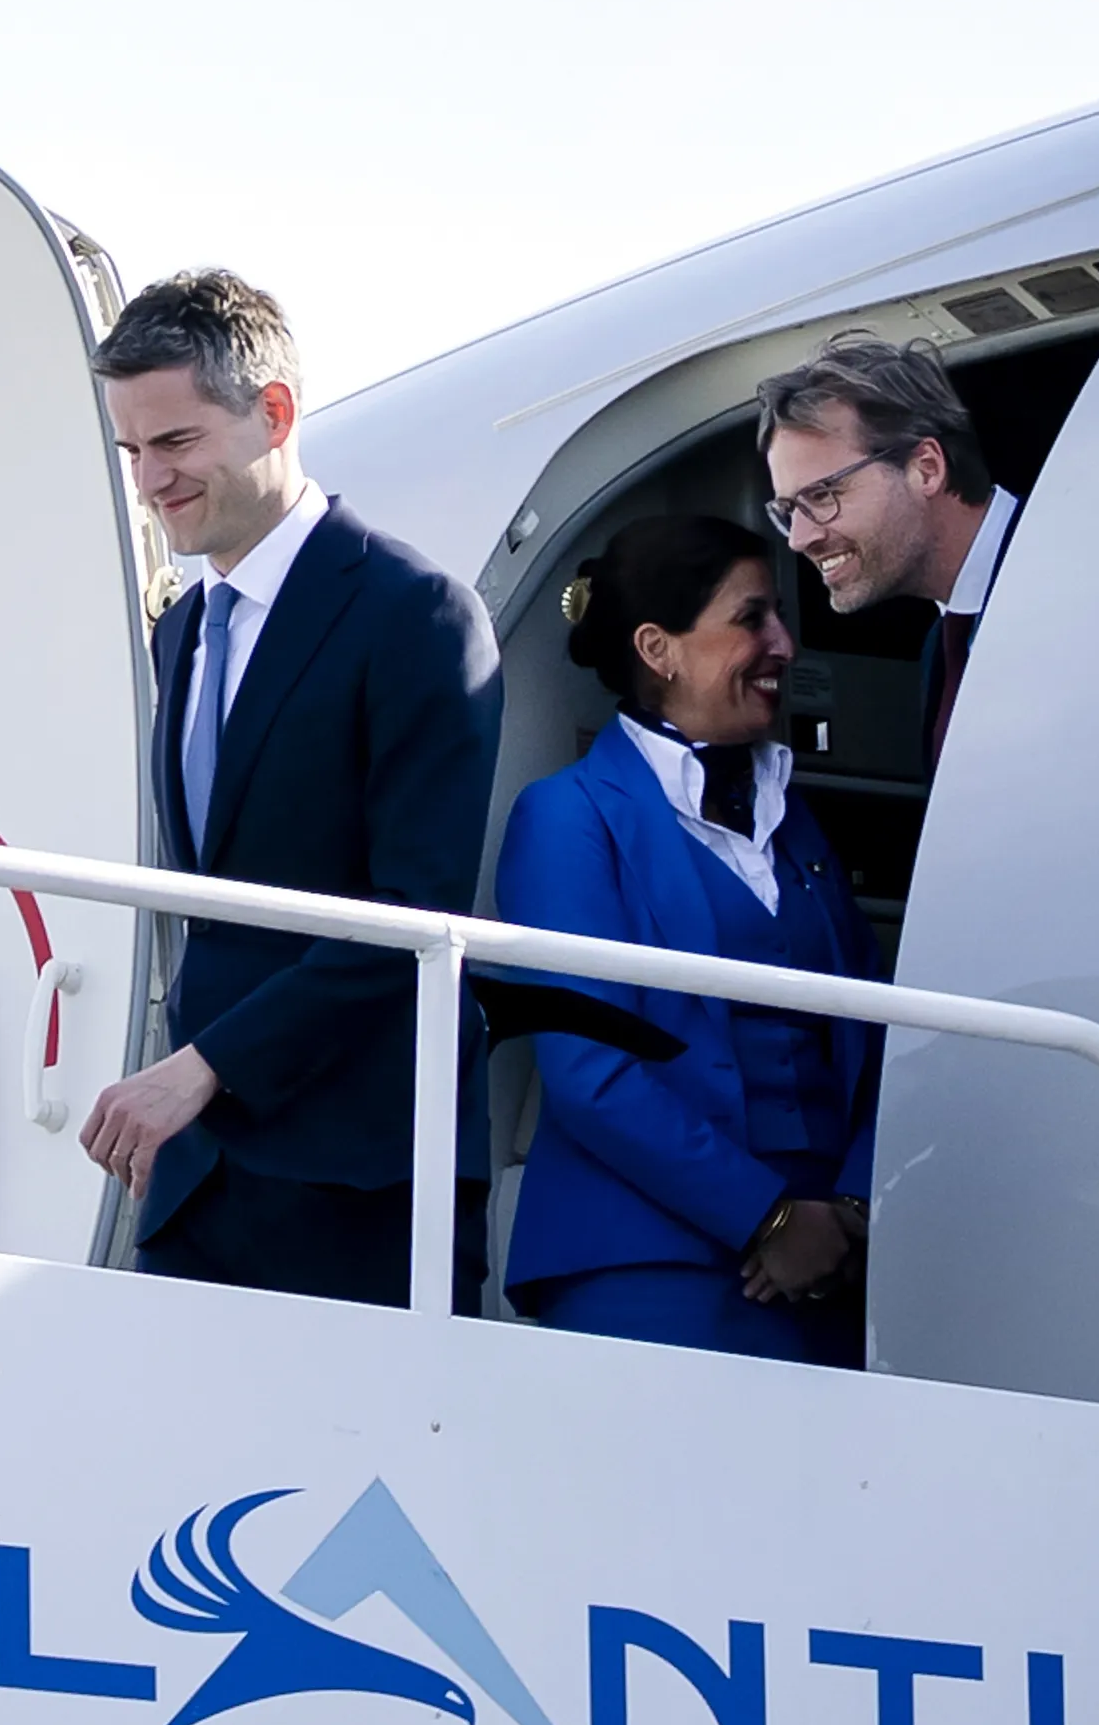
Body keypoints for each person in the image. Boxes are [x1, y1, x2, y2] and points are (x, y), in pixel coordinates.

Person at [79, 270, 504, 1306]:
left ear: (273, 414)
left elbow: (416, 916)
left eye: (175, 444)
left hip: (359, 1185)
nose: (150, 482)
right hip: (195, 1185)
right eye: (132, 452)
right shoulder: (180, 632)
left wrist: (205, 1065)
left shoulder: (419, 619)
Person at [495, 515, 880, 1364]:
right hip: (648, 1263)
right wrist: (766, 1214)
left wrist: (846, 1207)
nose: (782, 642)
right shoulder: (568, 818)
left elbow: (882, 1026)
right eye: (751, 618)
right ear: (658, 649)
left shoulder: (795, 817)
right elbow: (586, 1068)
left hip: (836, 1268)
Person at [753, 334, 1020, 768]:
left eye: (823, 495)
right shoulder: (941, 646)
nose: (798, 538)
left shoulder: (1075, 588)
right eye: (788, 509)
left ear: (926, 469)